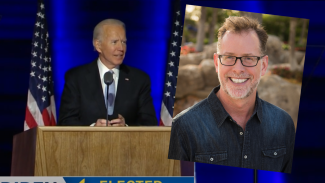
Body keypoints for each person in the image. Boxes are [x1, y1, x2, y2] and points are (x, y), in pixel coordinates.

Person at [168, 16, 295, 173]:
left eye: (249, 58)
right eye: (229, 57)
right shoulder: (183, 127)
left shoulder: (283, 124)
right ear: (216, 63)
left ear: (263, 66)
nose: (238, 69)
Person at [58, 19, 157, 127]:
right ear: (98, 45)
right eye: (114, 42)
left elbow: (149, 123)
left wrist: (127, 128)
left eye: (124, 42)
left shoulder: (140, 80)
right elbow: (65, 122)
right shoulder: (76, 78)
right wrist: (92, 129)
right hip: (88, 143)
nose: (121, 48)